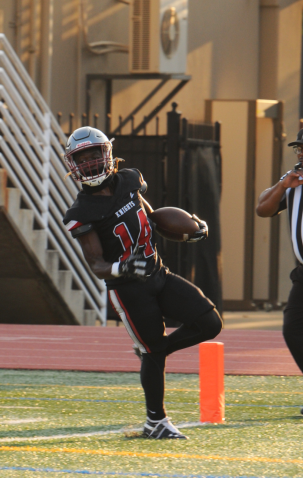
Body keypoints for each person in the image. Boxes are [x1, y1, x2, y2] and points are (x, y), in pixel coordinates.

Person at [62, 127, 222, 439]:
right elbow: (96, 264)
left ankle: (153, 352)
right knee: (154, 349)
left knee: (209, 322)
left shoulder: (129, 180)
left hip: (158, 274)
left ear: (108, 154)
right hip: (128, 290)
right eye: (82, 158)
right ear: (73, 164)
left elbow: (153, 219)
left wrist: (187, 227)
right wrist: (122, 267)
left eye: (95, 154)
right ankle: (156, 421)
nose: (90, 163)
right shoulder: (81, 212)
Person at [256, 125, 303, 417]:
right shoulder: (295, 179)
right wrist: (283, 186)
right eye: (299, 149)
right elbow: (263, 209)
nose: (301, 154)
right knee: (295, 330)